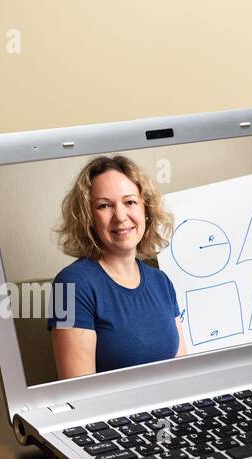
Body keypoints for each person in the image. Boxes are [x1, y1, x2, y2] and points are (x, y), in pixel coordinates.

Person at [47, 154, 186, 378]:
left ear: (146, 210)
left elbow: (184, 373)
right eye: (104, 206)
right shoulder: (69, 286)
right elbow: (79, 393)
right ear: (88, 218)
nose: (120, 216)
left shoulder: (162, 282)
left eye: (130, 202)